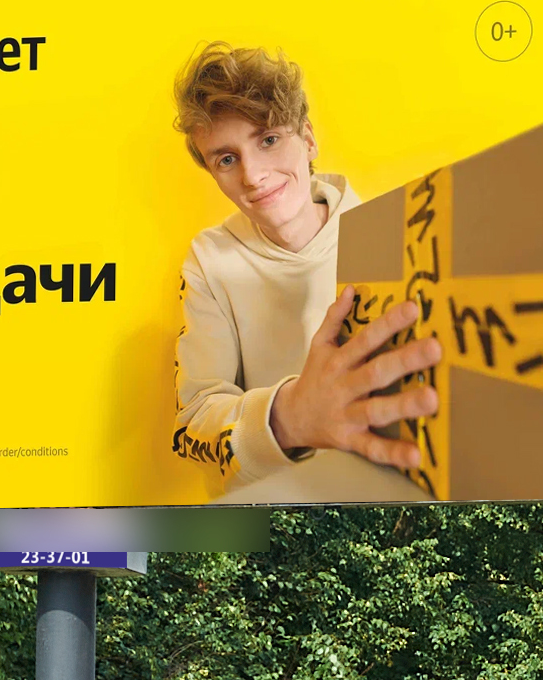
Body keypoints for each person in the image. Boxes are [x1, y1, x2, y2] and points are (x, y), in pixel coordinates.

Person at [168, 43, 444, 501]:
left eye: (269, 139)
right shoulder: (209, 259)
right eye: (227, 159)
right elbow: (193, 419)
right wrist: (289, 416)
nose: (253, 176)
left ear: (309, 140)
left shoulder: (403, 231)